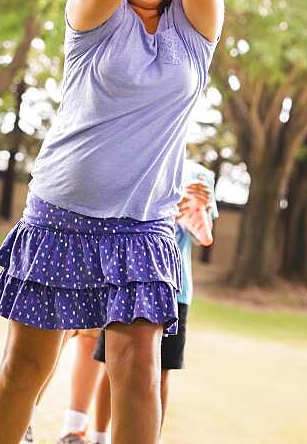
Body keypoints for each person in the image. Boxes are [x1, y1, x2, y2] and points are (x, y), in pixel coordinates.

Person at [0, 0, 224, 444]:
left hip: (144, 225)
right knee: (26, 369)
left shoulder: (194, 36)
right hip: (62, 213)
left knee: (137, 371)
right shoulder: (92, 17)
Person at [90, 163, 218, 441]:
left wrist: (200, 209)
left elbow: (201, 237)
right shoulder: (146, 161)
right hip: (130, 278)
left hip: (176, 288)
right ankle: (98, 436)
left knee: (161, 372)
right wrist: (174, 203)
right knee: (112, 365)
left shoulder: (201, 175)